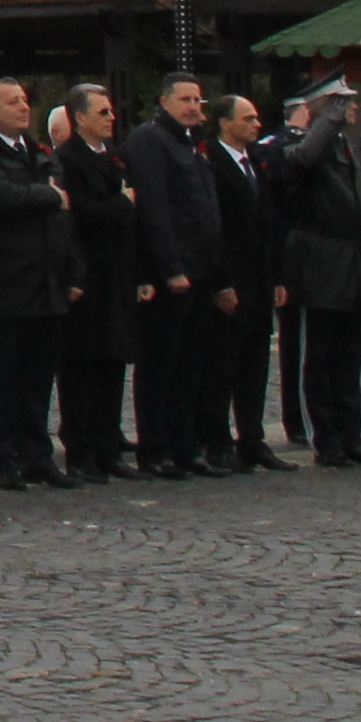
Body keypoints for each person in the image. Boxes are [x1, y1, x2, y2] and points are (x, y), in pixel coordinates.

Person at [0, 80, 74, 490]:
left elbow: (62, 206)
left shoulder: (37, 151)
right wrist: (45, 195)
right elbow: (2, 197)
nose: (24, 108)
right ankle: (3, 458)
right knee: (1, 378)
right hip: (3, 283)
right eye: (12, 102)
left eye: (25, 100)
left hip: (45, 281)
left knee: (38, 379)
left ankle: (37, 456)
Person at [266, 76, 361, 467]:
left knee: (348, 360)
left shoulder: (348, 145)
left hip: (353, 261)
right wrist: (327, 118)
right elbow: (303, 160)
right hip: (319, 263)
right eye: (344, 104)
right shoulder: (300, 145)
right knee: (318, 357)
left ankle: (351, 434)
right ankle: (325, 437)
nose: (352, 111)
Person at [124, 78, 225, 478]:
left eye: (198, 99)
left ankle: (186, 445)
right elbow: (155, 205)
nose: (193, 106)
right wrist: (170, 267)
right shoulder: (150, 140)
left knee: (191, 366)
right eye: (185, 99)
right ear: (163, 101)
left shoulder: (191, 143)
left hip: (201, 268)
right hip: (173, 272)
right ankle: (156, 447)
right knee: (160, 365)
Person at [48, 84, 143, 480]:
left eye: (110, 112)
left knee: (112, 363)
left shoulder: (116, 158)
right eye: (102, 112)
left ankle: (108, 447)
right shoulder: (67, 160)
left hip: (118, 274)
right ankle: (80, 450)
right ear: (79, 116)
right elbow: (80, 213)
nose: (110, 118)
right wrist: (122, 204)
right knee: (82, 366)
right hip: (87, 277)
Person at [207, 94, 283, 471]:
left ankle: (252, 439)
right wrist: (222, 281)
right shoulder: (212, 162)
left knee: (255, 365)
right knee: (224, 366)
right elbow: (215, 227)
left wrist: (277, 276)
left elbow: (269, 225)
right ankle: (218, 441)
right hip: (231, 279)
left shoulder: (255, 162)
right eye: (248, 118)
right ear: (225, 123)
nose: (257, 124)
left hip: (259, 280)